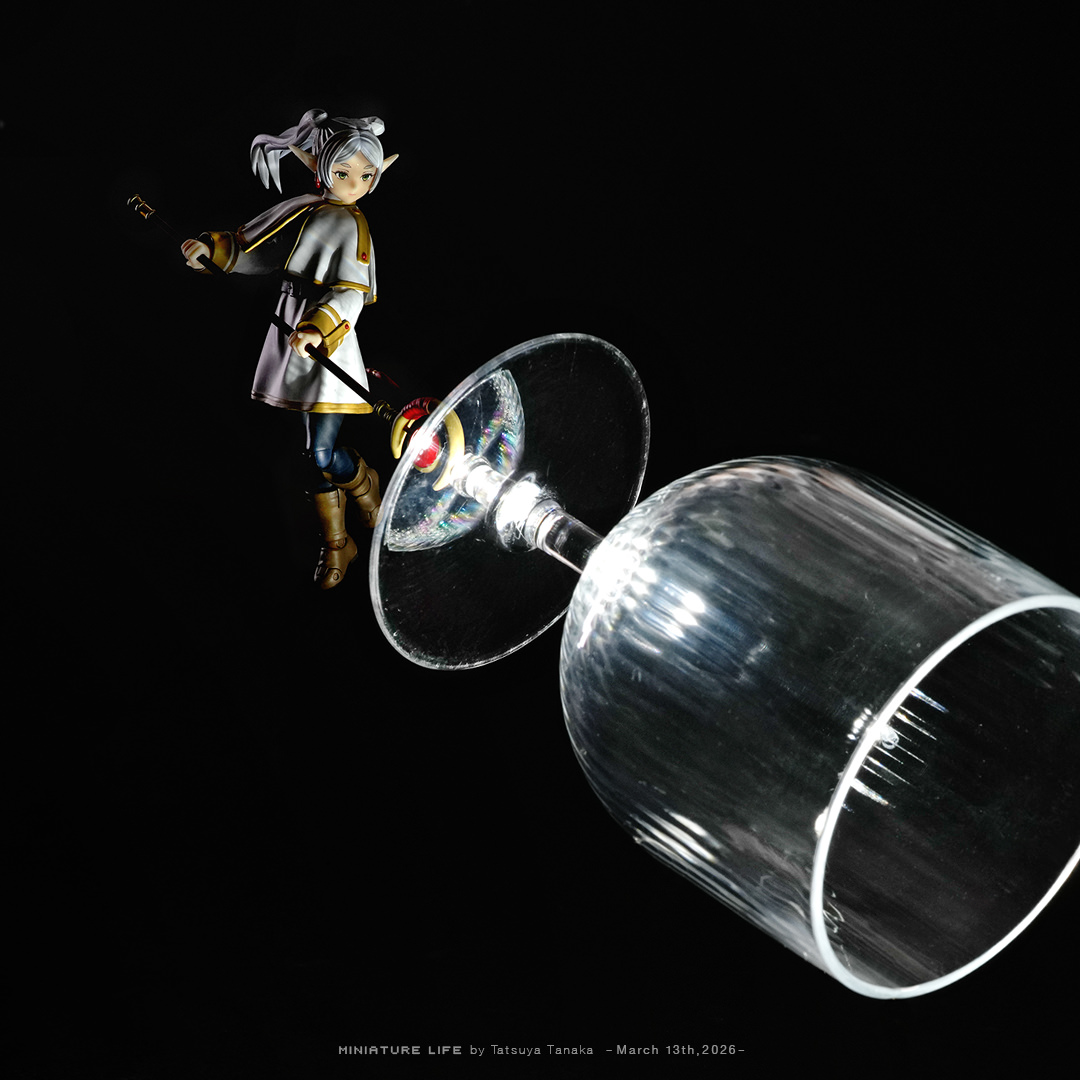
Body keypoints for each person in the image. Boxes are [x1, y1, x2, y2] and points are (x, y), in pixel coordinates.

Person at [181, 109, 398, 589]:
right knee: (309, 452)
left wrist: (319, 327)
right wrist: (212, 253)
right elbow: (257, 248)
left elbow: (351, 292)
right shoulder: (302, 207)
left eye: (366, 175)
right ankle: (338, 542)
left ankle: (367, 491)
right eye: (344, 172)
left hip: (324, 337)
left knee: (320, 452)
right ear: (321, 167)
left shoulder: (353, 225)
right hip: (290, 328)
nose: (355, 183)